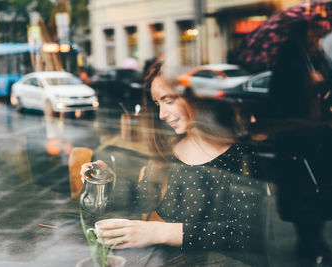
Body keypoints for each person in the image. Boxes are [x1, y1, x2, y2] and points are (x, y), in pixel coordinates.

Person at [81, 60, 267, 256]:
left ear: (197, 96)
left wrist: (160, 232)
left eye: (169, 101)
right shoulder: (168, 151)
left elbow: (245, 232)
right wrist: (106, 181)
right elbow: (142, 201)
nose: (161, 114)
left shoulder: (241, 153)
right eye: (157, 104)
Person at [266, 19, 332, 263]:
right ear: (301, 36)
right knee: (302, 194)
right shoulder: (290, 62)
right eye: (312, 34)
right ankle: (308, 241)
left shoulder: (319, 58)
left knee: (319, 192)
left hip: (319, 137)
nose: (316, 39)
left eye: (318, 35)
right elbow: (278, 100)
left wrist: (324, 83)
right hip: (296, 140)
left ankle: (314, 239)